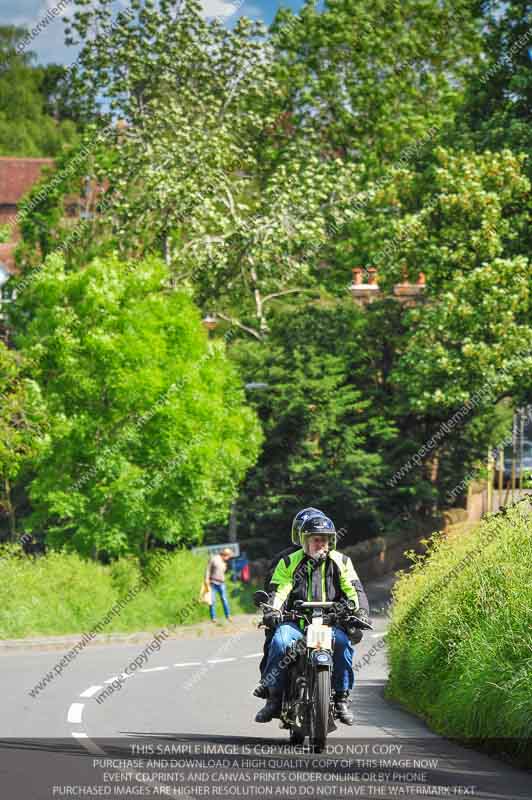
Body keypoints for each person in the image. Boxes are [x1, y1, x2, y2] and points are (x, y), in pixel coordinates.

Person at [255, 513, 370, 726]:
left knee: (343, 643)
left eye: (324, 539)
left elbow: (353, 588)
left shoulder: (342, 561)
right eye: (316, 539)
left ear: (331, 541)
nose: (321, 544)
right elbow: (280, 589)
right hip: (295, 623)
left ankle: (341, 698)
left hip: (329, 623)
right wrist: (273, 610)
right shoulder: (289, 561)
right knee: (279, 641)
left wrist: (360, 611)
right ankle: (273, 698)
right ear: (305, 540)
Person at [253, 507, 323, 698]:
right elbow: (274, 589)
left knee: (342, 642)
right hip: (290, 618)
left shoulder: (333, 560)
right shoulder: (284, 560)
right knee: (275, 640)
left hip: (324, 620)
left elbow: (347, 590)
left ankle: (340, 694)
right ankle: (271, 690)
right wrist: (272, 611)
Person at [205, 547, 234, 623]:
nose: (228, 558)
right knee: (212, 600)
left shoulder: (224, 562)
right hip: (213, 582)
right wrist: (206, 579)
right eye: (228, 556)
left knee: (224, 600)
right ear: (225, 554)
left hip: (221, 583)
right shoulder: (214, 559)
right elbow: (208, 569)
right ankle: (213, 617)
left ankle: (228, 616)